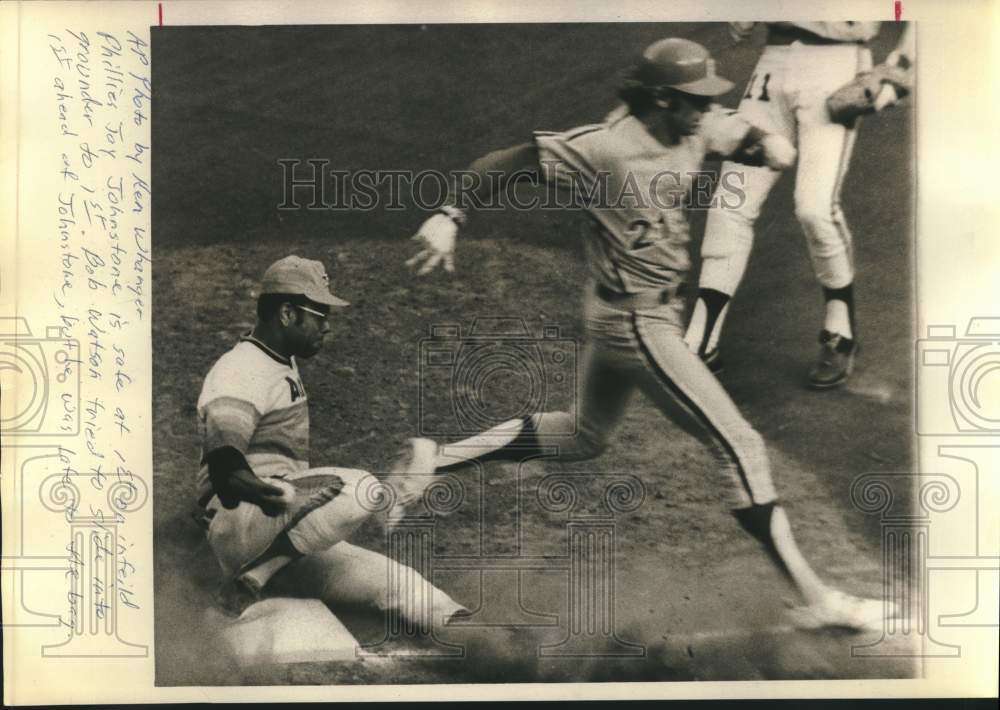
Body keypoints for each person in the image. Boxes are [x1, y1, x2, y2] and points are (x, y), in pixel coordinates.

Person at [406, 37, 898, 631]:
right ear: (662, 99)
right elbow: (504, 162)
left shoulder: (692, 127)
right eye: (696, 99)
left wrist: (767, 143)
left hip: (624, 311)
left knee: (584, 435)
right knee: (739, 446)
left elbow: (732, 132)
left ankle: (432, 462)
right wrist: (449, 216)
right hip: (637, 323)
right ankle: (816, 599)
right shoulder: (605, 149)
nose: (706, 109)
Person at [196, 254, 465, 633]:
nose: (326, 327)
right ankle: (252, 578)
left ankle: (483, 639)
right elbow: (225, 472)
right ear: (288, 313)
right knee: (360, 488)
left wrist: (294, 502)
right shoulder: (242, 369)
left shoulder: (276, 363)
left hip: (280, 536)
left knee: (401, 583)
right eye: (319, 315)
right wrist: (282, 496)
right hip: (240, 525)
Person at [684, 22, 915, 387]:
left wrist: (901, 66)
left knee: (814, 207)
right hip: (774, 61)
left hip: (836, 62)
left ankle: (840, 326)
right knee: (730, 202)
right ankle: (700, 340)